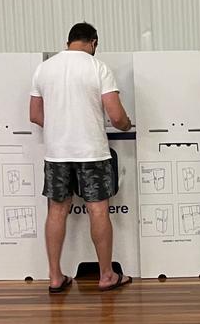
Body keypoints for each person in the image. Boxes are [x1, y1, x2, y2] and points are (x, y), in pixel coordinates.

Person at [29, 22, 132, 292]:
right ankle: (106, 275)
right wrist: (126, 124)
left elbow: (35, 115)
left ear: (68, 42)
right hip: (91, 152)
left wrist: (59, 129)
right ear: (94, 43)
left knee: (56, 211)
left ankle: (54, 276)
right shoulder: (97, 67)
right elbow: (117, 115)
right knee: (97, 209)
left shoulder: (44, 68)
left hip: (56, 154)